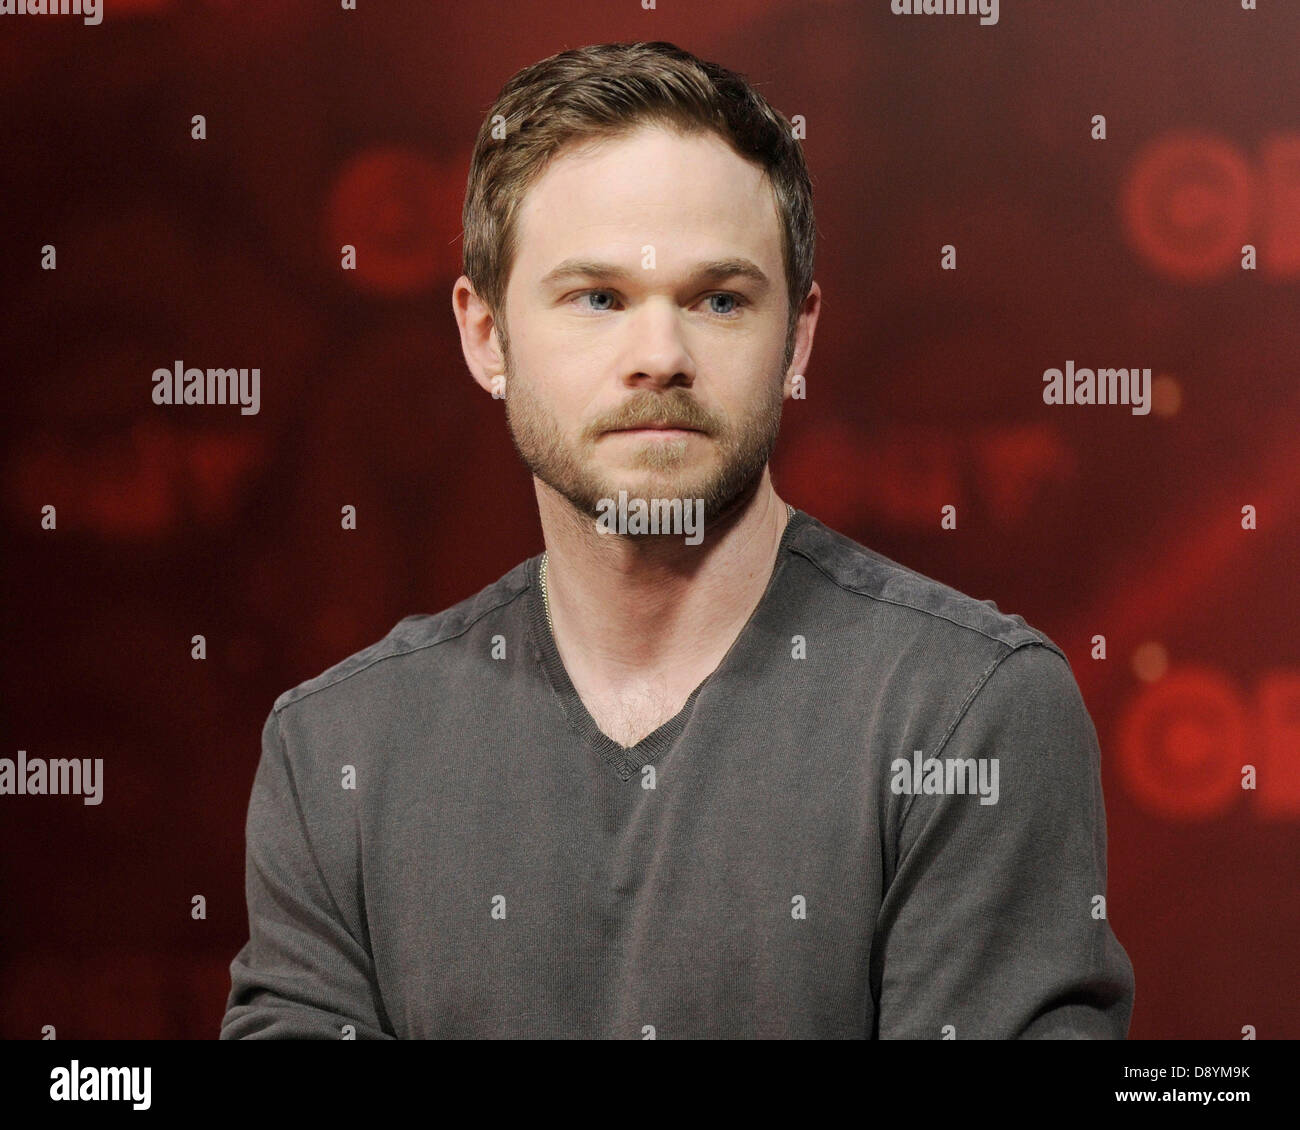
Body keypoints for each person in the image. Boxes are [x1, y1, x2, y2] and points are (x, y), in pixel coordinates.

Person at [220, 41, 1135, 1039]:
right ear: (486, 336)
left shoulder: (966, 711)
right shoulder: (338, 752)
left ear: (799, 338)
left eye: (719, 299)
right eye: (598, 297)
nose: (659, 356)